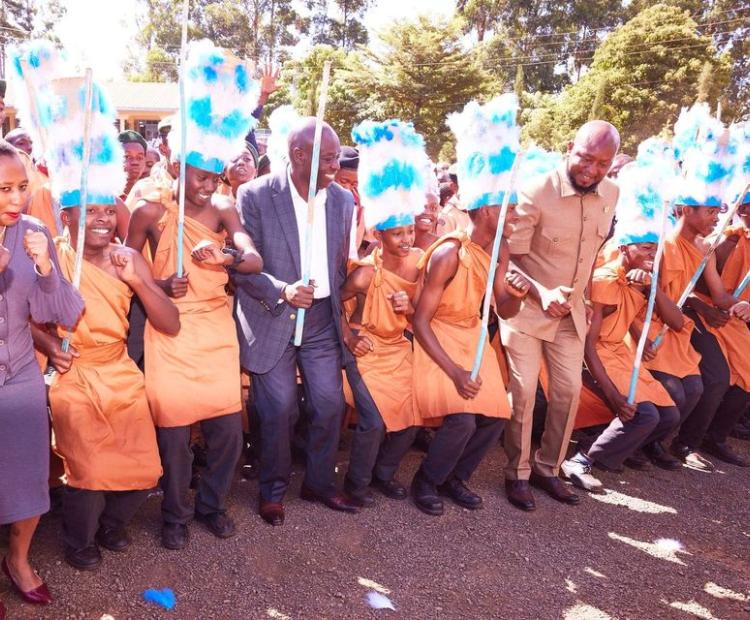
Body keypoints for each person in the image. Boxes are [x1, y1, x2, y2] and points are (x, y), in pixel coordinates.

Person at [127, 40, 264, 550]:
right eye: (199, 176)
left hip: (214, 328)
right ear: (177, 166)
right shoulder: (149, 212)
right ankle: (175, 515)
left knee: (228, 430)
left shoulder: (226, 208)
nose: (207, 186)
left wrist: (226, 258)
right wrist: (159, 285)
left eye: (214, 176)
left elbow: (253, 259)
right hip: (169, 328)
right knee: (176, 433)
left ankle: (211, 505)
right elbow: (127, 267)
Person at [233, 117, 360, 526]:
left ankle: (319, 483)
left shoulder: (342, 201)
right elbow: (239, 266)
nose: (335, 167)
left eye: (337, 158)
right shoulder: (254, 195)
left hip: (321, 318)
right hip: (272, 315)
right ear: (298, 155)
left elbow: (339, 264)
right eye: (326, 159)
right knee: (279, 408)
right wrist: (282, 290)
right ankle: (272, 491)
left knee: (329, 403)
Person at [38, 203, 179, 570]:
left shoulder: (127, 257)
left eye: (108, 210)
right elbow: (18, 313)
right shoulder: (49, 257)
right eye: (89, 210)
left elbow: (171, 322)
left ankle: (111, 525)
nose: (102, 219)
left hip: (119, 369)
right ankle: (78, 540)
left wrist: (137, 281)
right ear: (66, 217)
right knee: (88, 467)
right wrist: (50, 345)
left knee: (145, 466)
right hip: (74, 372)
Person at [410, 95, 530, 516]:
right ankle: (426, 481)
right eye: (507, 206)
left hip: (473, 337)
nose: (514, 213)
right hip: (437, 343)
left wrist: (513, 296)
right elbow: (420, 322)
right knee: (462, 418)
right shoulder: (449, 253)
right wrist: (456, 371)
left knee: (495, 415)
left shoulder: (503, 251)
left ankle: (455, 478)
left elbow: (504, 312)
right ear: (483, 208)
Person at [502, 120, 620, 511]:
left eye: (602, 163)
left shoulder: (612, 193)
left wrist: (582, 294)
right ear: (570, 147)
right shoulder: (535, 191)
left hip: (571, 316)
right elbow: (508, 260)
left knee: (568, 393)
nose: (592, 169)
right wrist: (541, 291)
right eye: (586, 158)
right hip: (525, 311)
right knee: (523, 395)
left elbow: (589, 254)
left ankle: (547, 469)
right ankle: (516, 474)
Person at [561, 150, 683, 492]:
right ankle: (582, 458)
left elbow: (673, 321)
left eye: (654, 249)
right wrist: (614, 395)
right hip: (598, 357)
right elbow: (589, 346)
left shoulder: (641, 281)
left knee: (669, 415)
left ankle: (619, 447)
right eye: (644, 248)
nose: (650, 255)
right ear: (625, 247)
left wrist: (652, 291)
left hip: (622, 355)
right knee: (645, 414)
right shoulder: (602, 281)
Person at [0, 139, 84, 608]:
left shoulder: (34, 231)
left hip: (18, 376)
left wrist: (47, 268)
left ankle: (17, 558)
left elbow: (63, 311)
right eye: (4, 189)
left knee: (28, 475)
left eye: (22, 188)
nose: (16, 199)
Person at [342, 120, 429, 504]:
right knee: (373, 424)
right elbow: (335, 306)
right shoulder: (364, 274)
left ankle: (383, 474)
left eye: (410, 231)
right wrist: (348, 335)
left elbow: (426, 313)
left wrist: (409, 307)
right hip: (368, 352)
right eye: (398, 234)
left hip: (400, 350)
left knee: (412, 421)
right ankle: (355, 485)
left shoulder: (420, 263)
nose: (407, 239)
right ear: (379, 234)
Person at [119, 130, 147, 199]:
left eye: (139, 157)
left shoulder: (151, 195)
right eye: (127, 156)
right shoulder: (105, 196)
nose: (135, 162)